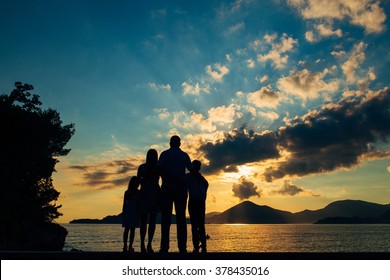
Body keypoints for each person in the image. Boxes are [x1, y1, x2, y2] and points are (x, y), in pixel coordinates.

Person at [158, 135, 195, 253]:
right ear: (179, 144)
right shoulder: (184, 155)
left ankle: (164, 247)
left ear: (170, 143)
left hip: (167, 188)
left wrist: (167, 177)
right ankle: (182, 247)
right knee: (181, 219)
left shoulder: (164, 154)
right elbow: (191, 169)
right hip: (181, 189)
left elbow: (159, 169)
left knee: (166, 219)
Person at [137, 149, 161, 253]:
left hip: (149, 193)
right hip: (150, 194)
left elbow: (138, 181)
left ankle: (146, 244)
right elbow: (138, 181)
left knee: (147, 221)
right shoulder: (157, 167)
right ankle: (146, 244)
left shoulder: (143, 167)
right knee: (149, 221)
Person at [186, 160, 209, 253]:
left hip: (194, 201)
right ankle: (202, 246)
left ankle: (197, 246)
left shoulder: (188, 177)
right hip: (200, 202)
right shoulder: (204, 181)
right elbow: (205, 193)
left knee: (195, 226)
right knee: (200, 225)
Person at [122, 176, 140, 252]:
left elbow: (124, 205)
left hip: (128, 211)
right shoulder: (138, 192)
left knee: (126, 229)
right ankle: (130, 246)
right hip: (134, 211)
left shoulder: (127, 192)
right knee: (132, 230)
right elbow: (139, 204)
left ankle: (125, 246)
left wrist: (123, 212)